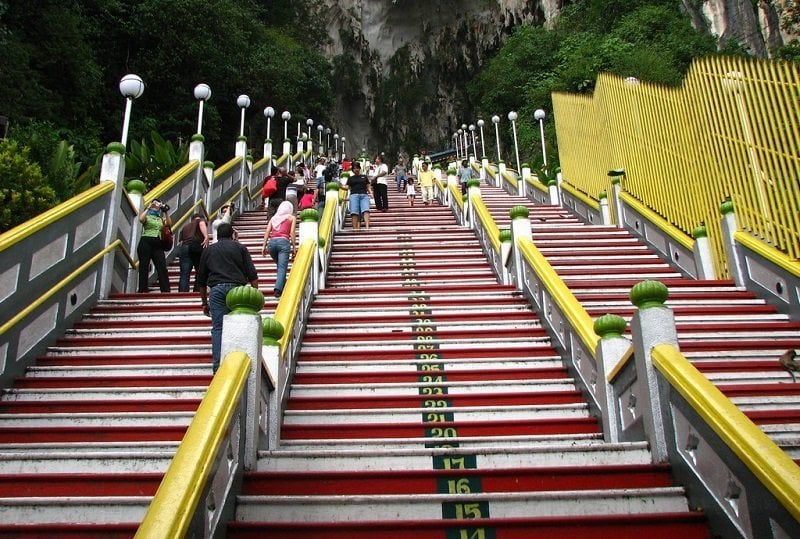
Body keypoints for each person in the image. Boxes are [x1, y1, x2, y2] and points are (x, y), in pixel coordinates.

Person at [197, 223, 259, 373]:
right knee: (240, 324)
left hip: (216, 290)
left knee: (218, 328)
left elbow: (201, 280)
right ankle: (238, 362)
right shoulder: (240, 248)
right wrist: (254, 296)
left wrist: (204, 302)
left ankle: (218, 366)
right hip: (237, 291)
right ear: (232, 234)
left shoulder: (209, 250)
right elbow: (252, 274)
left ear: (217, 235)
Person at [260, 200, 296, 298]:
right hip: (283, 242)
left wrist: (264, 246)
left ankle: (282, 284)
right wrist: (294, 247)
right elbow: (292, 232)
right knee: (282, 267)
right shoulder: (291, 218)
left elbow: (267, 231)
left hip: (271, 244)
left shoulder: (273, 218)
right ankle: (278, 289)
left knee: (280, 266)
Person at [137, 199, 172, 293]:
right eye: (155, 203)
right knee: (144, 266)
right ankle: (142, 289)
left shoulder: (160, 218)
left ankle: (165, 290)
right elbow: (141, 219)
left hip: (158, 243)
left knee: (162, 266)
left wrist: (166, 212)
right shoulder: (148, 216)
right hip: (146, 241)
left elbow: (169, 224)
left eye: (158, 204)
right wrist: (148, 207)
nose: (156, 206)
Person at [177, 213, 209, 292]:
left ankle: (182, 292)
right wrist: (206, 237)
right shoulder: (200, 220)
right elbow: (201, 224)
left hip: (184, 247)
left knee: (184, 273)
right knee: (199, 271)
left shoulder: (185, 226)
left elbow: (180, 241)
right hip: (196, 246)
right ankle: (197, 290)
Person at [343, 162, 372, 230]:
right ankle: (355, 229)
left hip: (364, 195)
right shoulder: (350, 178)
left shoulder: (364, 176)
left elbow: (368, 186)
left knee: (366, 210)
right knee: (354, 212)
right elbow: (347, 187)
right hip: (354, 195)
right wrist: (340, 186)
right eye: (354, 168)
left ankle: (367, 227)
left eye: (357, 168)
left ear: (359, 168)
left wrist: (371, 193)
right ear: (352, 170)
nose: (356, 169)